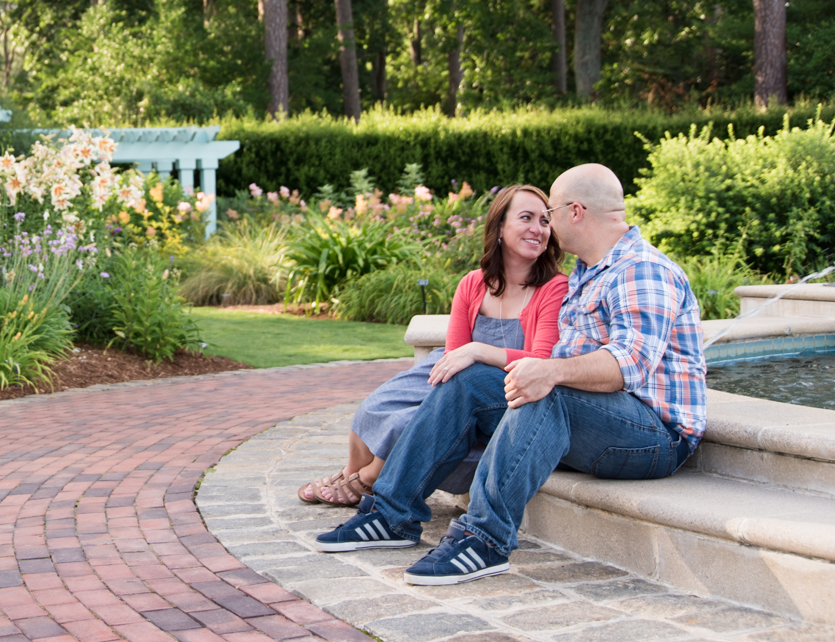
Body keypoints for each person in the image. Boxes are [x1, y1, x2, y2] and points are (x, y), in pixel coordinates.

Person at [315, 164, 706, 588]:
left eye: (550, 212)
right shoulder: (589, 273)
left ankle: (484, 540)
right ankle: (391, 516)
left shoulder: (640, 269)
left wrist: (548, 372)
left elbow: (627, 365)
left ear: (575, 211)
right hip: (592, 419)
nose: (547, 224)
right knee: (469, 377)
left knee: (546, 386)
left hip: (654, 436)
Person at [298, 184, 568, 506]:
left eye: (544, 221)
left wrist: (478, 351)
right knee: (372, 407)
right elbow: (454, 353)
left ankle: (366, 481)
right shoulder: (473, 282)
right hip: (451, 369)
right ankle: (351, 473)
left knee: (403, 425)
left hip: (502, 388)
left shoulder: (554, 287)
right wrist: (465, 354)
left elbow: (540, 360)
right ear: (499, 227)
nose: (538, 229)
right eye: (526, 218)